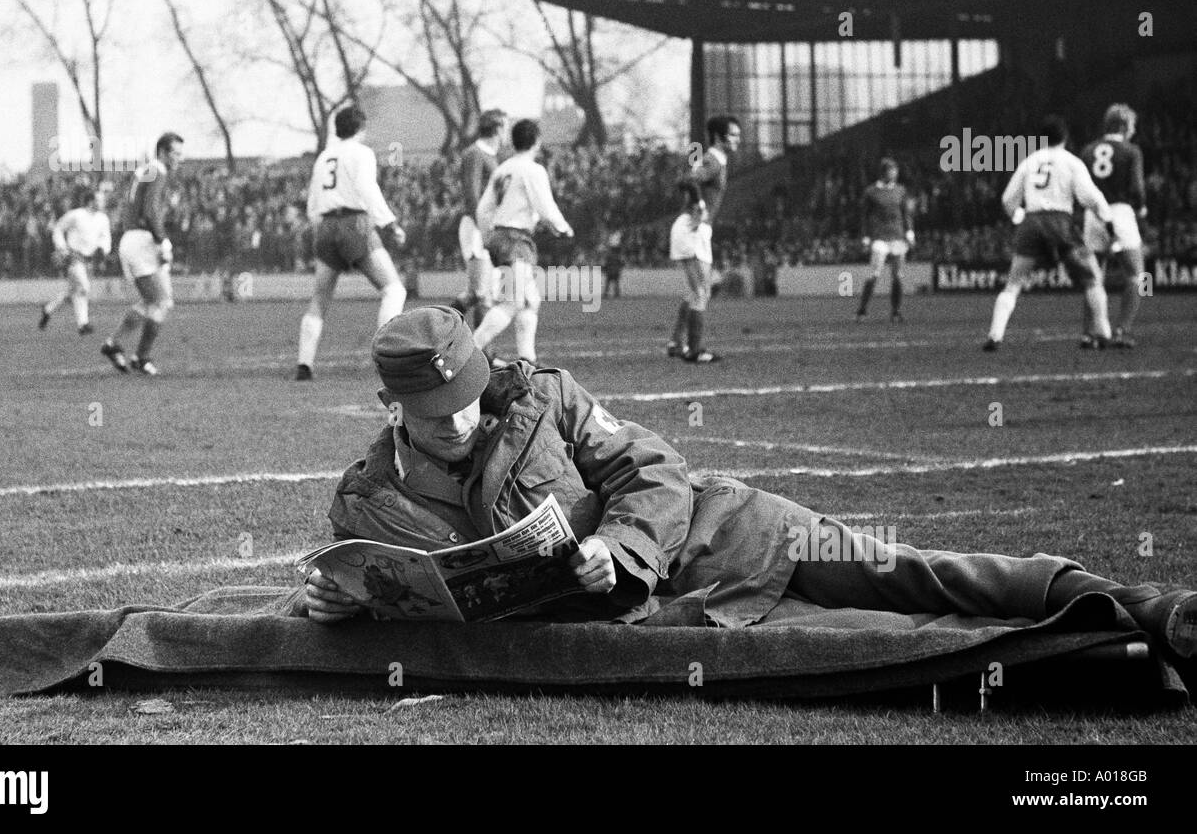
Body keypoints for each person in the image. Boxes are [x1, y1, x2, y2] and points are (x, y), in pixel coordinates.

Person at [302, 306, 1196, 663]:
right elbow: (387, 588)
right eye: (432, 409)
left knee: (906, 576)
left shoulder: (546, 397)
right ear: (389, 403)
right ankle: (1100, 648)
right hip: (676, 620)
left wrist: (616, 551)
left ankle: (1132, 603)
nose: (457, 420)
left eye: (463, 397)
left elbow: (651, 471)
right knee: (898, 643)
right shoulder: (364, 500)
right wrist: (341, 603)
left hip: (728, 533)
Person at [983, 116, 1115, 351]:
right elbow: (1090, 196)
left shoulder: (1029, 161)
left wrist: (1019, 217)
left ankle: (995, 334)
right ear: (1065, 137)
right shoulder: (1071, 162)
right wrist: (1107, 219)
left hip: (1032, 222)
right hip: (1061, 221)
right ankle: (1104, 331)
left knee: (1013, 283)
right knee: (1091, 279)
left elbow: (1007, 199)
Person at [295, 106, 408, 381]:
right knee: (394, 290)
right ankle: (387, 360)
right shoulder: (362, 152)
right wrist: (389, 223)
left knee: (320, 298)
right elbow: (367, 187)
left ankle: (304, 364)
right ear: (361, 128)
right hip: (354, 224)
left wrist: (320, 227)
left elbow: (312, 201)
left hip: (324, 226)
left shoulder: (324, 157)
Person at [471, 119, 573, 366]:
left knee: (530, 301)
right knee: (512, 302)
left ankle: (528, 361)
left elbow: (484, 209)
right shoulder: (532, 169)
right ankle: (468, 351)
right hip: (517, 240)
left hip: (500, 237)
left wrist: (489, 236)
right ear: (537, 140)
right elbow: (545, 205)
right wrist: (563, 227)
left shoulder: (502, 168)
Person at [101, 133, 182, 376]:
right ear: (163, 153)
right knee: (160, 302)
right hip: (142, 240)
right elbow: (150, 210)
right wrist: (162, 240)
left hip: (132, 238)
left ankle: (117, 346)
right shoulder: (158, 171)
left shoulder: (145, 170)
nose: (179, 158)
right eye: (176, 153)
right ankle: (140, 356)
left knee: (155, 301)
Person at [667, 115, 738, 363]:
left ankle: (677, 342)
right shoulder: (714, 160)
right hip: (692, 228)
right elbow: (687, 179)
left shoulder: (714, 159)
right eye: (733, 135)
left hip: (693, 228)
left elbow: (689, 177)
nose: (737, 139)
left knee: (701, 289)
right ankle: (695, 350)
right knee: (701, 291)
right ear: (719, 137)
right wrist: (699, 204)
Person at [1079, 104, 1148, 349]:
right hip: (1120, 212)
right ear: (1123, 125)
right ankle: (1121, 330)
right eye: (1132, 125)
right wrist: (1141, 208)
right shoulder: (1131, 151)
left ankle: (1089, 333)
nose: (1133, 130)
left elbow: (1082, 187)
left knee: (1093, 277)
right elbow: (1137, 188)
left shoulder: (1088, 151)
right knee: (1139, 275)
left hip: (1093, 215)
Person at [449, 110, 506, 329]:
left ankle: (482, 353)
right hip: (476, 228)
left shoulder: (490, 155)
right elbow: (472, 195)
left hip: (484, 227)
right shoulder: (475, 153)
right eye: (506, 126)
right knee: (482, 293)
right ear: (498, 128)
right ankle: (446, 334)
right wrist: (484, 229)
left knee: (480, 293)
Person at [40, 187, 111, 336]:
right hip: (74, 257)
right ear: (91, 201)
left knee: (72, 293)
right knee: (84, 288)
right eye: (99, 200)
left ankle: (48, 310)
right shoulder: (76, 215)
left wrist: (103, 250)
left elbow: (105, 238)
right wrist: (63, 249)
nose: (103, 202)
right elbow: (58, 228)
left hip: (89, 260)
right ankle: (83, 325)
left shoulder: (103, 218)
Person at [855, 158, 915, 322]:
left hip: (898, 237)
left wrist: (910, 232)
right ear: (883, 172)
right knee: (874, 274)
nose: (894, 173)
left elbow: (906, 213)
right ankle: (862, 310)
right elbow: (864, 216)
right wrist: (866, 237)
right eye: (891, 170)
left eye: (895, 170)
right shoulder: (871, 192)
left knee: (898, 276)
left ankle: (895, 312)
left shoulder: (901, 190)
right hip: (879, 238)